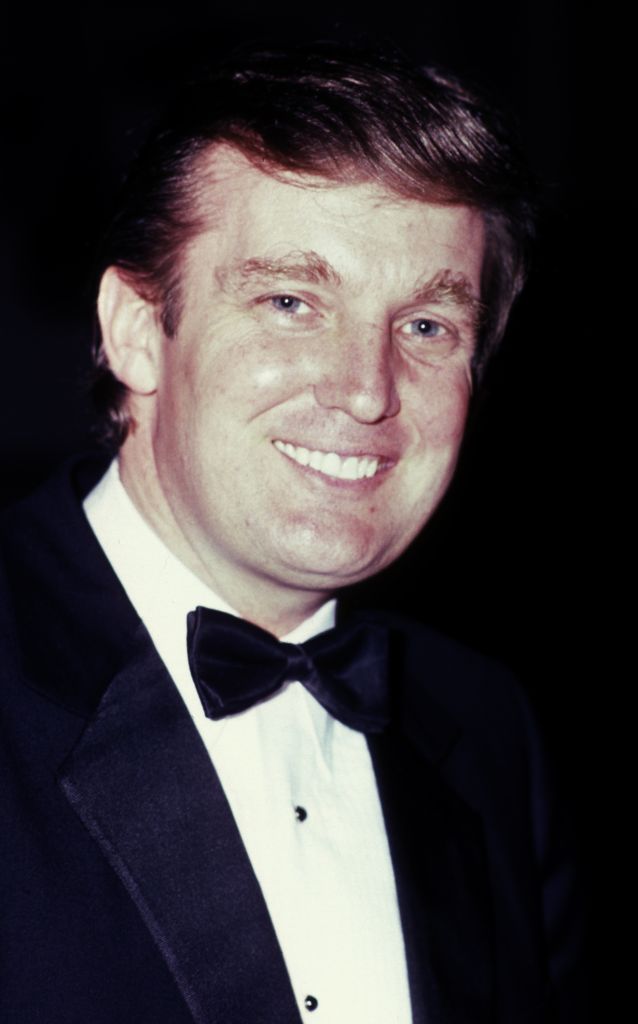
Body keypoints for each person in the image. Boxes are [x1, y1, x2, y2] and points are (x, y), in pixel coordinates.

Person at [0, 43, 584, 1024]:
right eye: (290, 302)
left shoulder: (486, 732)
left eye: (426, 327)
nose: (365, 390)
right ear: (138, 330)